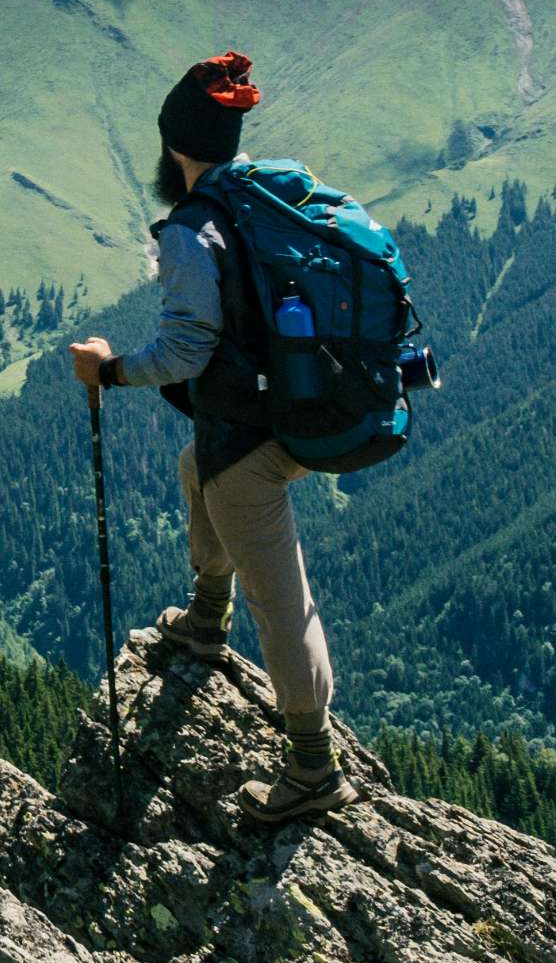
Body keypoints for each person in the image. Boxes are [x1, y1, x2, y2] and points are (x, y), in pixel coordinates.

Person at [67, 52, 355, 824]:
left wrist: (110, 369)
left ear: (174, 149)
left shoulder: (196, 230)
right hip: (305, 405)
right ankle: (204, 618)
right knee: (198, 465)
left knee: (281, 599)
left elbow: (187, 351)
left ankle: (312, 767)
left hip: (255, 436)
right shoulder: (266, 192)